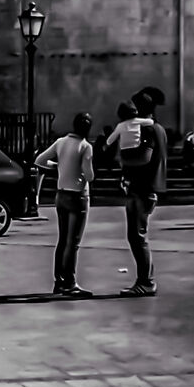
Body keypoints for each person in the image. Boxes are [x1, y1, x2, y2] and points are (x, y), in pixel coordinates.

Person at [105, 100, 166, 296]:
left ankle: (146, 282)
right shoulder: (154, 129)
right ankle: (146, 280)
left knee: (137, 236)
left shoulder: (149, 130)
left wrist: (123, 159)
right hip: (142, 188)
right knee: (137, 236)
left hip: (142, 189)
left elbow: (143, 158)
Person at [33, 112, 95, 297]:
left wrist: (58, 166)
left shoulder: (61, 142)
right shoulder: (85, 146)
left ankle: (59, 281)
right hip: (78, 196)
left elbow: (39, 160)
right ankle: (70, 282)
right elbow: (89, 175)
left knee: (63, 240)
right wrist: (83, 171)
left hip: (61, 196)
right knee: (73, 242)